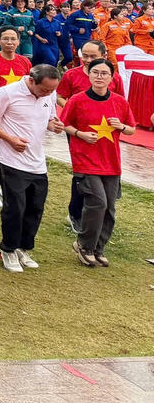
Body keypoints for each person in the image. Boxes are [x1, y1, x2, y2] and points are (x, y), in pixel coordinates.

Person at [60, 58, 134, 268]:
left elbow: (132, 129)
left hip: (111, 162)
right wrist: (80, 134)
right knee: (97, 202)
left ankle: (98, 248)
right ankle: (84, 245)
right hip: (85, 160)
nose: (100, 77)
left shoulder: (120, 101)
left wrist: (120, 126)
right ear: (89, 75)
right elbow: (64, 124)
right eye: (96, 72)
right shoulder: (77, 99)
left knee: (110, 208)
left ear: (112, 78)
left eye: (104, 73)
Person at [0, 64, 62, 272]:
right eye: (44, 90)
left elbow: (48, 120)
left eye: (51, 91)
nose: (48, 94)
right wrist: (10, 139)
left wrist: (53, 126)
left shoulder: (49, 94)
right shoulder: (7, 94)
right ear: (31, 80)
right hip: (12, 161)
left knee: (35, 208)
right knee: (15, 208)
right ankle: (8, 249)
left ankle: (24, 247)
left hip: (38, 163)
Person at [56, 40, 123, 233]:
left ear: (104, 55)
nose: (87, 60)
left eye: (93, 56)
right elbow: (60, 96)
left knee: (104, 171)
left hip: (106, 133)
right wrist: (74, 106)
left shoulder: (114, 77)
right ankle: (76, 213)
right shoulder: (71, 75)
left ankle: (100, 211)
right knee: (82, 172)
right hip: (78, 132)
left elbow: (120, 102)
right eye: (84, 55)